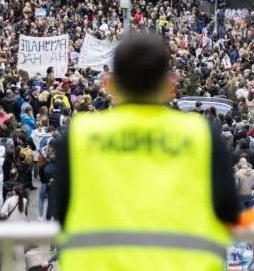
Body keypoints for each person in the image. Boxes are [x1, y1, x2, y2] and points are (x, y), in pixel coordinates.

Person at [54, 33, 240, 270]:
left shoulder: (79, 135)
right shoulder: (202, 135)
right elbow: (228, 213)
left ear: (109, 84)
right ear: (170, 86)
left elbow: (61, 213)